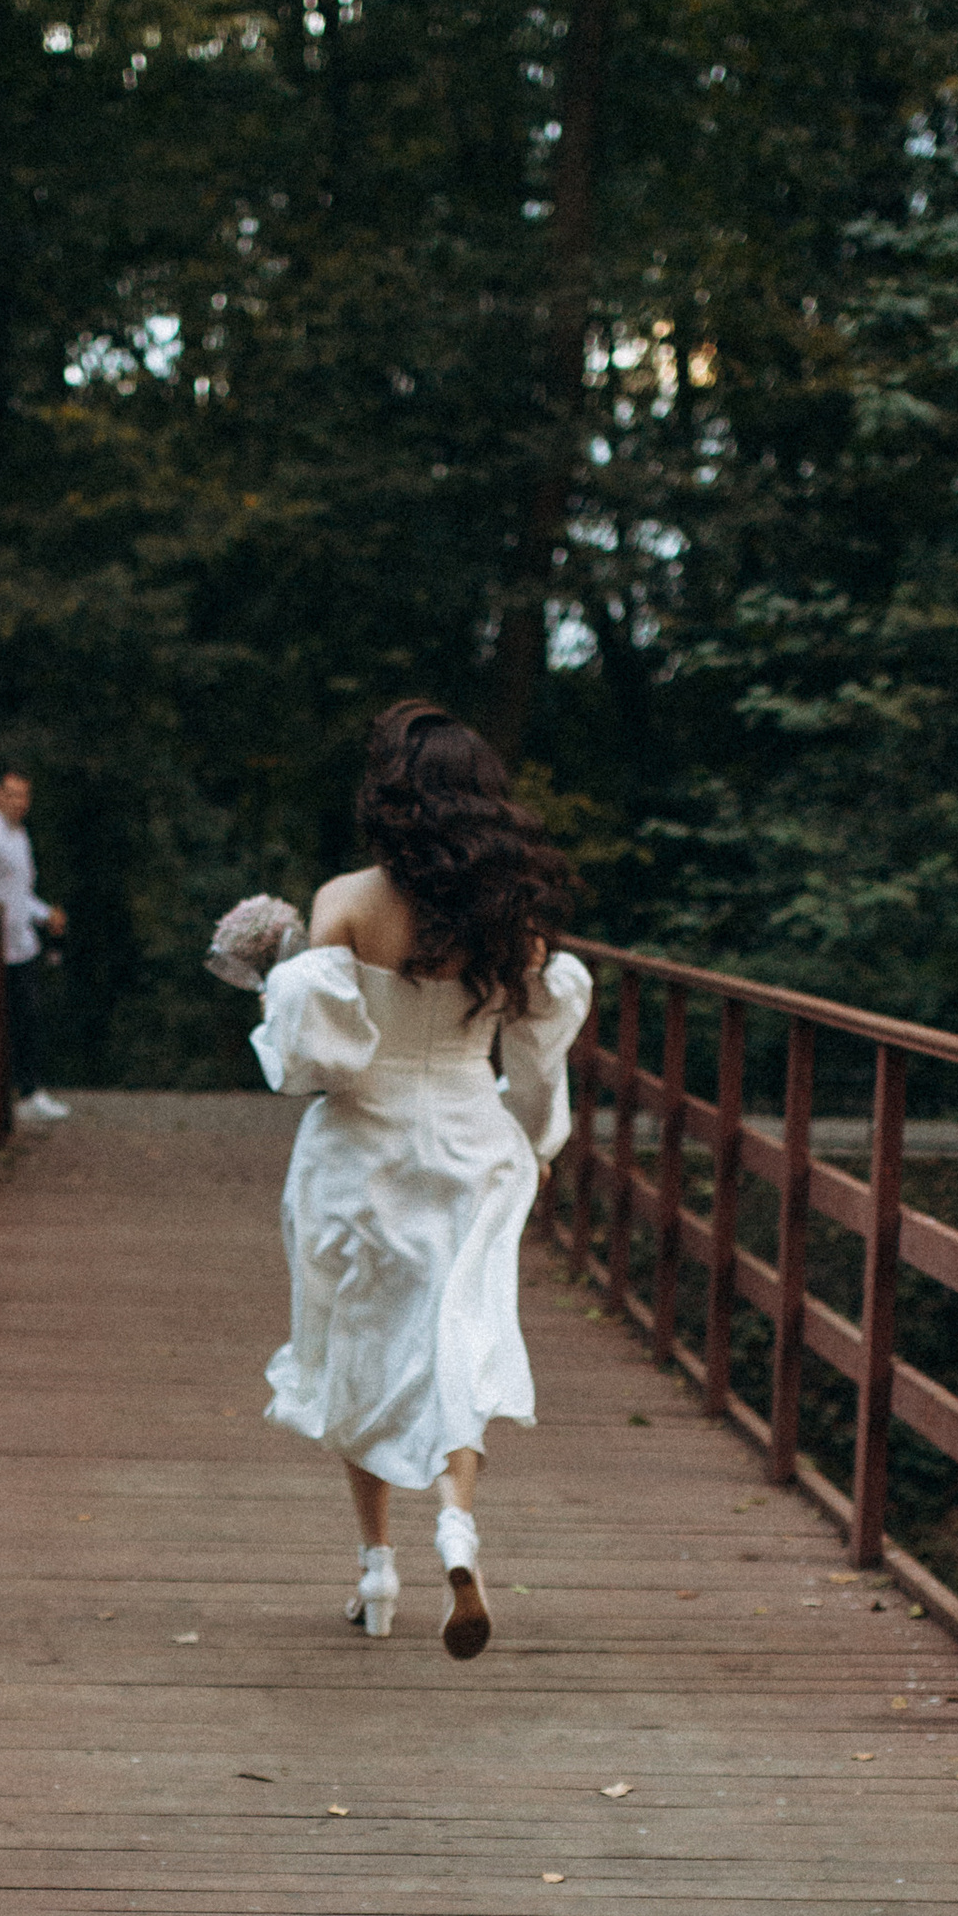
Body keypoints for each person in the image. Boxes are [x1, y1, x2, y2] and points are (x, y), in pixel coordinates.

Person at [241, 701, 592, 1658]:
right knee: (459, 1336)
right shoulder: (511, 920)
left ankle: (377, 1568)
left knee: (364, 1343)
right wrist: (536, 1147)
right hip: (471, 1145)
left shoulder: (349, 901)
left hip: (366, 1150)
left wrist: (268, 975)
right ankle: (458, 1527)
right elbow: (534, 1064)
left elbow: (321, 1060)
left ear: (390, 796)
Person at [0, 768, 70, 1125]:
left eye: (24, 795)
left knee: (27, 1020)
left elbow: (19, 894)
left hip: (22, 945)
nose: (19, 802)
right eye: (11, 794)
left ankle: (29, 1092)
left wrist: (43, 914)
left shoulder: (18, 834)